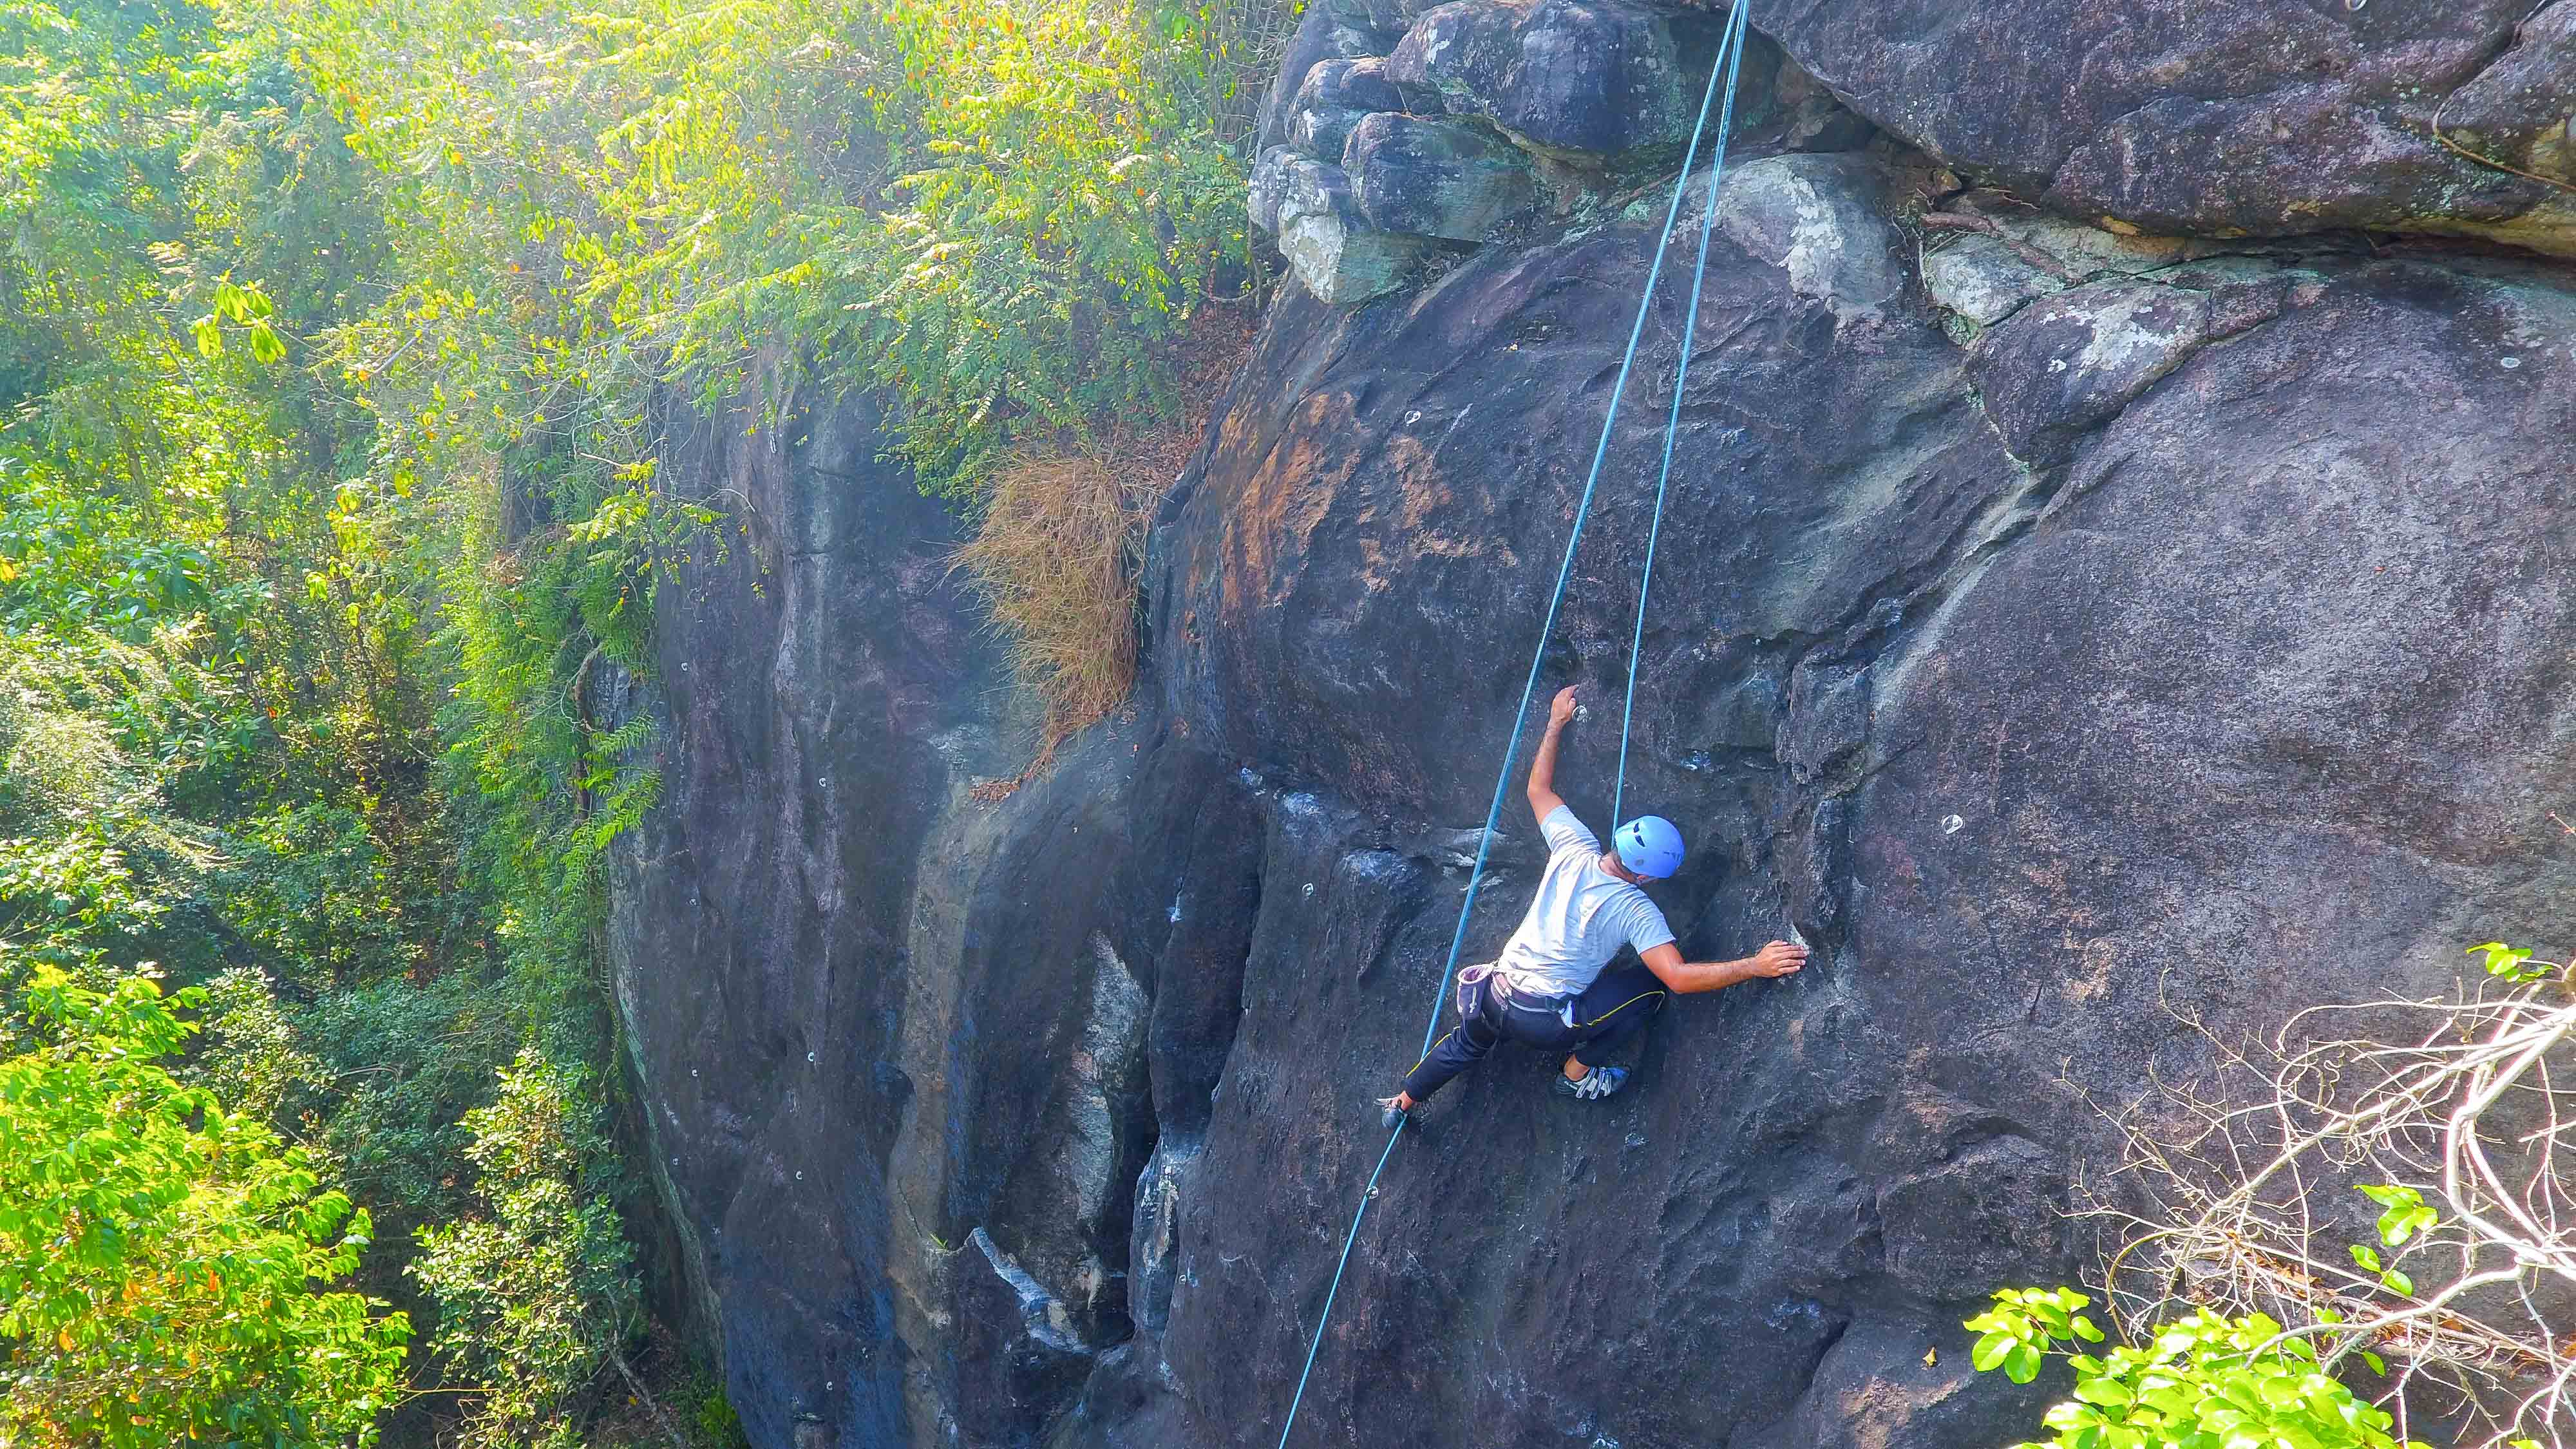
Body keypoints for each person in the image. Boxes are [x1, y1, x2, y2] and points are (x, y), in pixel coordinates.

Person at [1379, 686, 1808, 1128]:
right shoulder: (1635, 910)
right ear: (1646, 878)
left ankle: (1402, 1104)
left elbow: (1538, 789)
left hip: (1490, 994)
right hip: (1540, 1022)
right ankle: (1576, 1075)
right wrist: (1755, 965)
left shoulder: (1573, 846)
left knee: (1465, 1044)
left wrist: (1555, 723)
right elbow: (1678, 979)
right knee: (1649, 990)